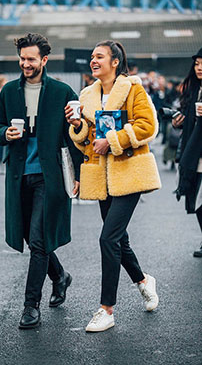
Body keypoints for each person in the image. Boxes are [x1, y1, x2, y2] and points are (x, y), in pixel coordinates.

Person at [65, 40, 161, 332]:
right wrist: (78, 124)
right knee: (119, 240)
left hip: (129, 173)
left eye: (99, 57)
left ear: (115, 61)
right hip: (101, 176)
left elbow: (148, 125)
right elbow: (82, 139)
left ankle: (107, 309)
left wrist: (115, 140)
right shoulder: (87, 94)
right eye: (92, 57)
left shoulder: (133, 88)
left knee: (108, 239)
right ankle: (144, 281)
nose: (93, 61)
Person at [0, 33, 83, 329]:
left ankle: (31, 306)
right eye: (22, 58)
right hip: (18, 177)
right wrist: (5, 133)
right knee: (31, 237)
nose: (25, 63)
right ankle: (59, 276)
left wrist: (79, 126)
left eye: (31, 59)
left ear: (44, 60)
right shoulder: (8, 92)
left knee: (39, 240)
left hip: (49, 177)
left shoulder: (62, 91)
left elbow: (76, 137)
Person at [173, 47, 202, 258]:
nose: (199, 68)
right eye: (197, 64)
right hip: (195, 151)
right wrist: (178, 121)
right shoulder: (195, 88)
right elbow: (188, 119)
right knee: (197, 197)